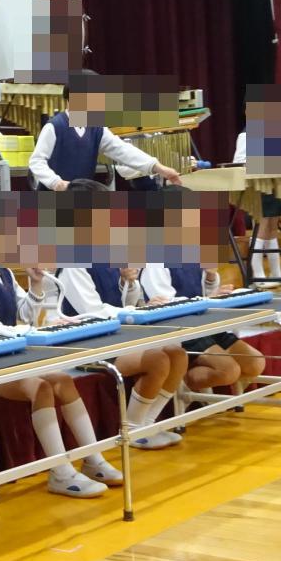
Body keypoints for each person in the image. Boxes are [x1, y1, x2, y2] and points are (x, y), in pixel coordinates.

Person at [0, 262, 122, 494]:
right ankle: (60, 472)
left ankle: (94, 459)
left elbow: (25, 315)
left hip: (8, 358)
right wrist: (33, 331)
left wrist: (35, 284)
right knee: (40, 387)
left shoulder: (4, 272)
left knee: (63, 381)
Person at [53, 181, 188, 450]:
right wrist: (135, 311)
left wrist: (129, 281)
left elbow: (124, 301)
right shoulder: (71, 260)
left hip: (114, 337)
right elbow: (93, 313)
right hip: (85, 346)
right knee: (159, 359)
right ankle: (133, 429)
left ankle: (148, 423)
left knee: (177, 353)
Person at [29, 73, 182, 190]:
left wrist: (159, 167)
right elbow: (36, 162)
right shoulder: (54, 127)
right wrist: (56, 183)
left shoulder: (97, 128)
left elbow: (123, 151)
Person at [133, 263, 266, 395]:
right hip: (178, 329)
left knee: (255, 363)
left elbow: (205, 292)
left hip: (203, 323)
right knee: (228, 371)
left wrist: (211, 278)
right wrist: (207, 299)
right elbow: (164, 304)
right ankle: (179, 383)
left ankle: (207, 388)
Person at [232, 129, 281, 284]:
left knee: (272, 228)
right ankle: (258, 274)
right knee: (261, 229)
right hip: (259, 186)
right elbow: (239, 161)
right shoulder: (246, 135)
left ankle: (276, 272)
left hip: (275, 183)